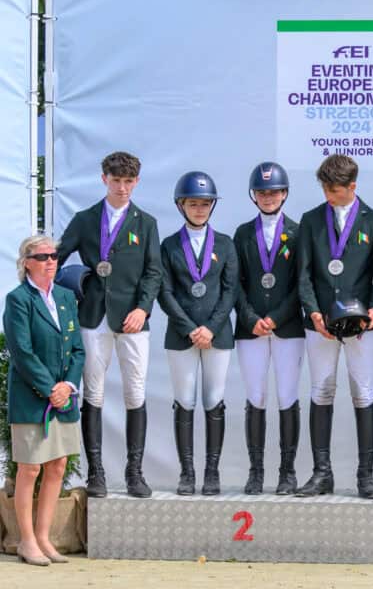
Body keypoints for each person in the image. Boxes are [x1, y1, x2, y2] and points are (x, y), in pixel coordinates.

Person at [56, 151, 162, 498]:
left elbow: (153, 271)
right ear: (104, 179)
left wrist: (143, 309)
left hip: (132, 320)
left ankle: (135, 472)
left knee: (135, 393)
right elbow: (57, 258)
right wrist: (65, 297)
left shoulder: (145, 222)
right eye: (116, 180)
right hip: (93, 316)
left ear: (137, 182)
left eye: (128, 181)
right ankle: (96, 473)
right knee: (94, 393)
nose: (122, 188)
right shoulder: (86, 219)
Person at [296, 154, 373, 498]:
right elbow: (303, 274)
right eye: (324, 189)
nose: (327, 196)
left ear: (352, 186)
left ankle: (366, 476)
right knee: (321, 390)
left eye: (334, 190)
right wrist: (313, 311)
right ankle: (322, 474)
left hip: (362, 323)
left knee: (363, 393)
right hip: (320, 323)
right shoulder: (310, 220)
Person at [3, 235, 85, 565]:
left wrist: (67, 385)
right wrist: (50, 387)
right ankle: (25, 541)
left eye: (54, 255)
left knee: (58, 466)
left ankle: (43, 538)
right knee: (30, 468)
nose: (51, 261)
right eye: (43, 256)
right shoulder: (18, 299)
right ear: (27, 263)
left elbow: (77, 348)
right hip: (31, 398)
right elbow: (22, 352)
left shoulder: (66, 296)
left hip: (63, 397)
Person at [158, 172, 239, 496]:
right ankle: (187, 473)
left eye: (205, 204)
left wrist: (211, 327)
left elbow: (230, 291)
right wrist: (190, 329)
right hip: (182, 336)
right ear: (181, 205)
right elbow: (164, 292)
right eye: (194, 203)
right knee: (185, 400)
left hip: (217, 334)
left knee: (214, 400)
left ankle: (212, 472)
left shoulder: (225, 243)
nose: (200, 209)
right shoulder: (168, 246)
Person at [233, 162, 305, 495]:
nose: (268, 197)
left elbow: (301, 283)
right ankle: (256, 472)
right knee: (256, 398)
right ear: (254, 196)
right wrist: (251, 319)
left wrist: (276, 317)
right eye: (262, 192)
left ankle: (287, 472)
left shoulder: (298, 231)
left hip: (287, 326)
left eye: (273, 191)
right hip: (251, 330)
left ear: (284, 193)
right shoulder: (243, 234)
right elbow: (236, 284)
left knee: (287, 397)